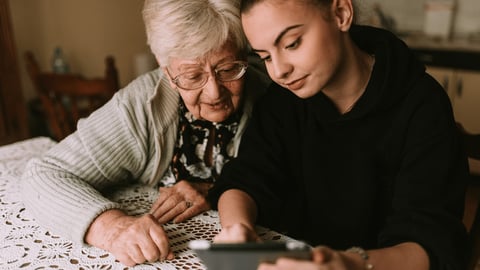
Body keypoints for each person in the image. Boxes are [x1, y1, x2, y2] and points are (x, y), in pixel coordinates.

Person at [209, 0, 470, 269]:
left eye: (292, 44)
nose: (279, 70)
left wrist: (347, 263)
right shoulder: (283, 100)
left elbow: (429, 244)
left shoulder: (422, 104)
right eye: (264, 56)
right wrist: (237, 231)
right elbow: (245, 178)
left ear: (341, 14)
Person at [20, 0, 270, 267]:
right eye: (192, 76)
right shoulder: (143, 105)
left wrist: (214, 190)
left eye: (229, 69)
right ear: (167, 73)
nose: (214, 92)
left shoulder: (273, 98)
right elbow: (45, 174)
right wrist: (112, 228)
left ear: (244, 55)